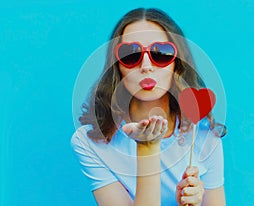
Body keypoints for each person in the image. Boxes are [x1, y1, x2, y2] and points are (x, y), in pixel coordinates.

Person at [71, 8, 227, 206]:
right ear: (117, 66)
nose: (146, 66)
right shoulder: (90, 142)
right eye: (130, 54)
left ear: (176, 64)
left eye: (161, 53)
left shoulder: (204, 134)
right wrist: (147, 148)